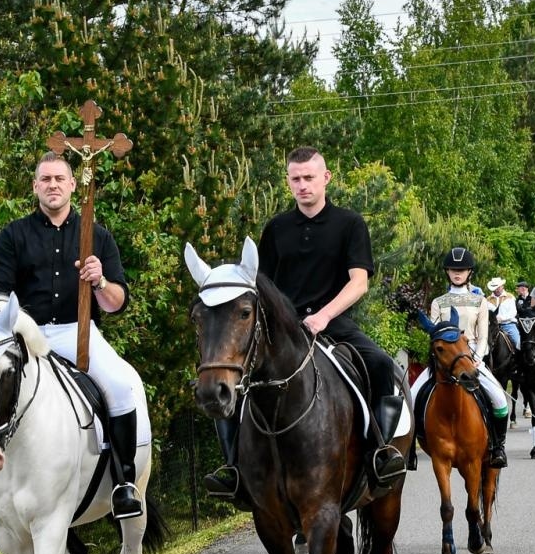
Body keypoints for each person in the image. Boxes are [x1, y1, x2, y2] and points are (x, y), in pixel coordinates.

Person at [0, 151, 147, 528]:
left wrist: (99, 281)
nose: (52, 185)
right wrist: (14, 328)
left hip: (77, 332)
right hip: (23, 338)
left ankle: (124, 483)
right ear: (35, 186)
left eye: (59, 179)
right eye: (45, 179)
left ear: (72, 186)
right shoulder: (13, 235)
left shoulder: (96, 235)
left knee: (119, 387)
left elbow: (116, 304)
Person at [204, 146, 406, 501]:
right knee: (232, 377)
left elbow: (359, 281)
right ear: (288, 182)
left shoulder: (349, 224)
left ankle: (380, 452)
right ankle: (234, 468)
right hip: (282, 331)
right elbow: (260, 287)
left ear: (325, 178)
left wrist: (325, 315)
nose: (302, 185)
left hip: (335, 324)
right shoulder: (276, 229)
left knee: (379, 364)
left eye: (309, 177)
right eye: (295, 179)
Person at [407, 247, 509, 468]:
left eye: (461, 270)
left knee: (500, 401)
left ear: (469, 272)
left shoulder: (479, 302)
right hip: (445, 358)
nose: (457, 273)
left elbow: (483, 336)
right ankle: (409, 450)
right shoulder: (438, 302)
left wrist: (478, 357)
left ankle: (498, 448)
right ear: (447, 271)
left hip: (470, 353)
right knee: (412, 397)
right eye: (453, 269)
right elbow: (434, 334)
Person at [487, 275, 519, 349]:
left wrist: (502, 318)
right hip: (492, 327)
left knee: (518, 342)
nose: (497, 289)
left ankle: (521, 359)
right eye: (495, 288)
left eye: (498, 287)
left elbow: (513, 313)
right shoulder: (487, 300)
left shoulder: (510, 297)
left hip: (508, 325)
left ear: (502, 286)